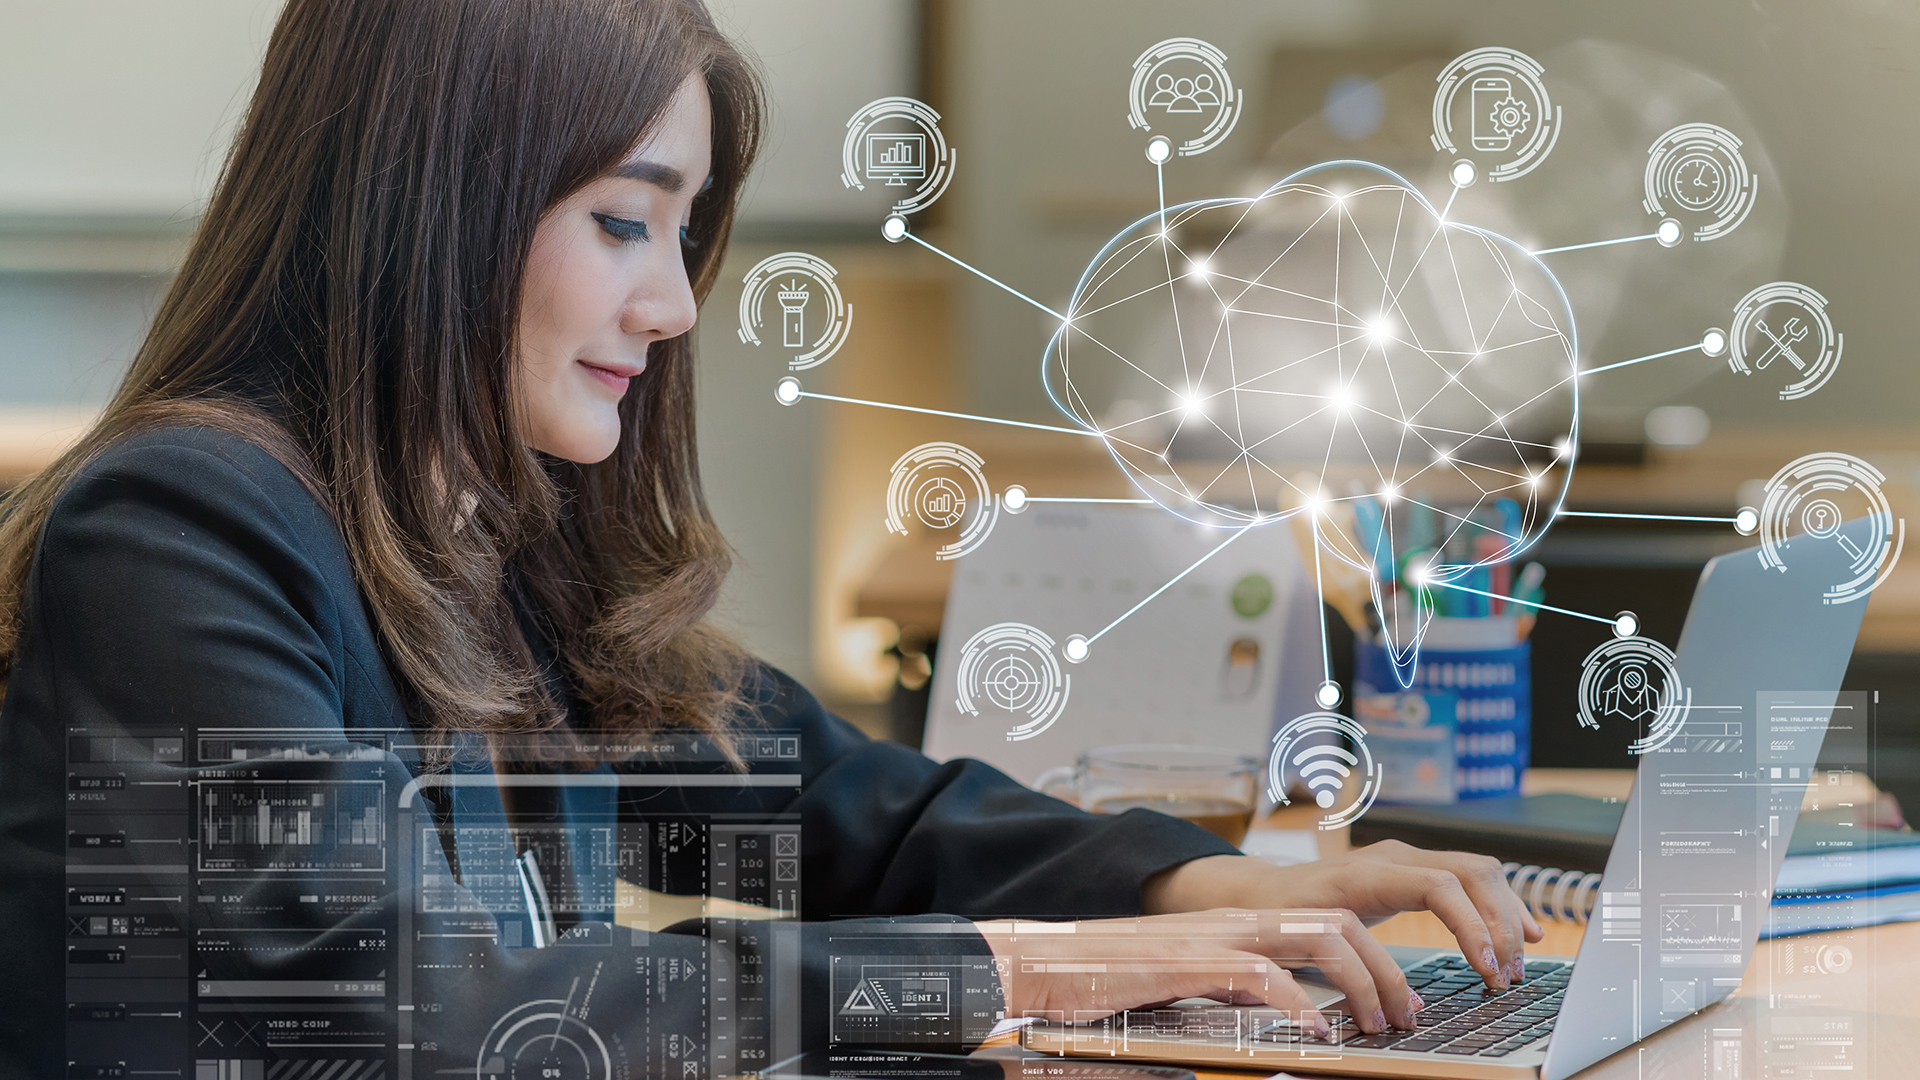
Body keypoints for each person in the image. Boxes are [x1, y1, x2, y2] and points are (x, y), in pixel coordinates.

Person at [0, 1, 1539, 1075]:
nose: (671, 308)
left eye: (682, 237)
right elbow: (432, 1020)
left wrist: (1182, 893)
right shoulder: (177, 538)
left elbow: (837, 802)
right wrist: (1025, 977)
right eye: (623, 221)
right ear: (437, 203)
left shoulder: (488, 545)